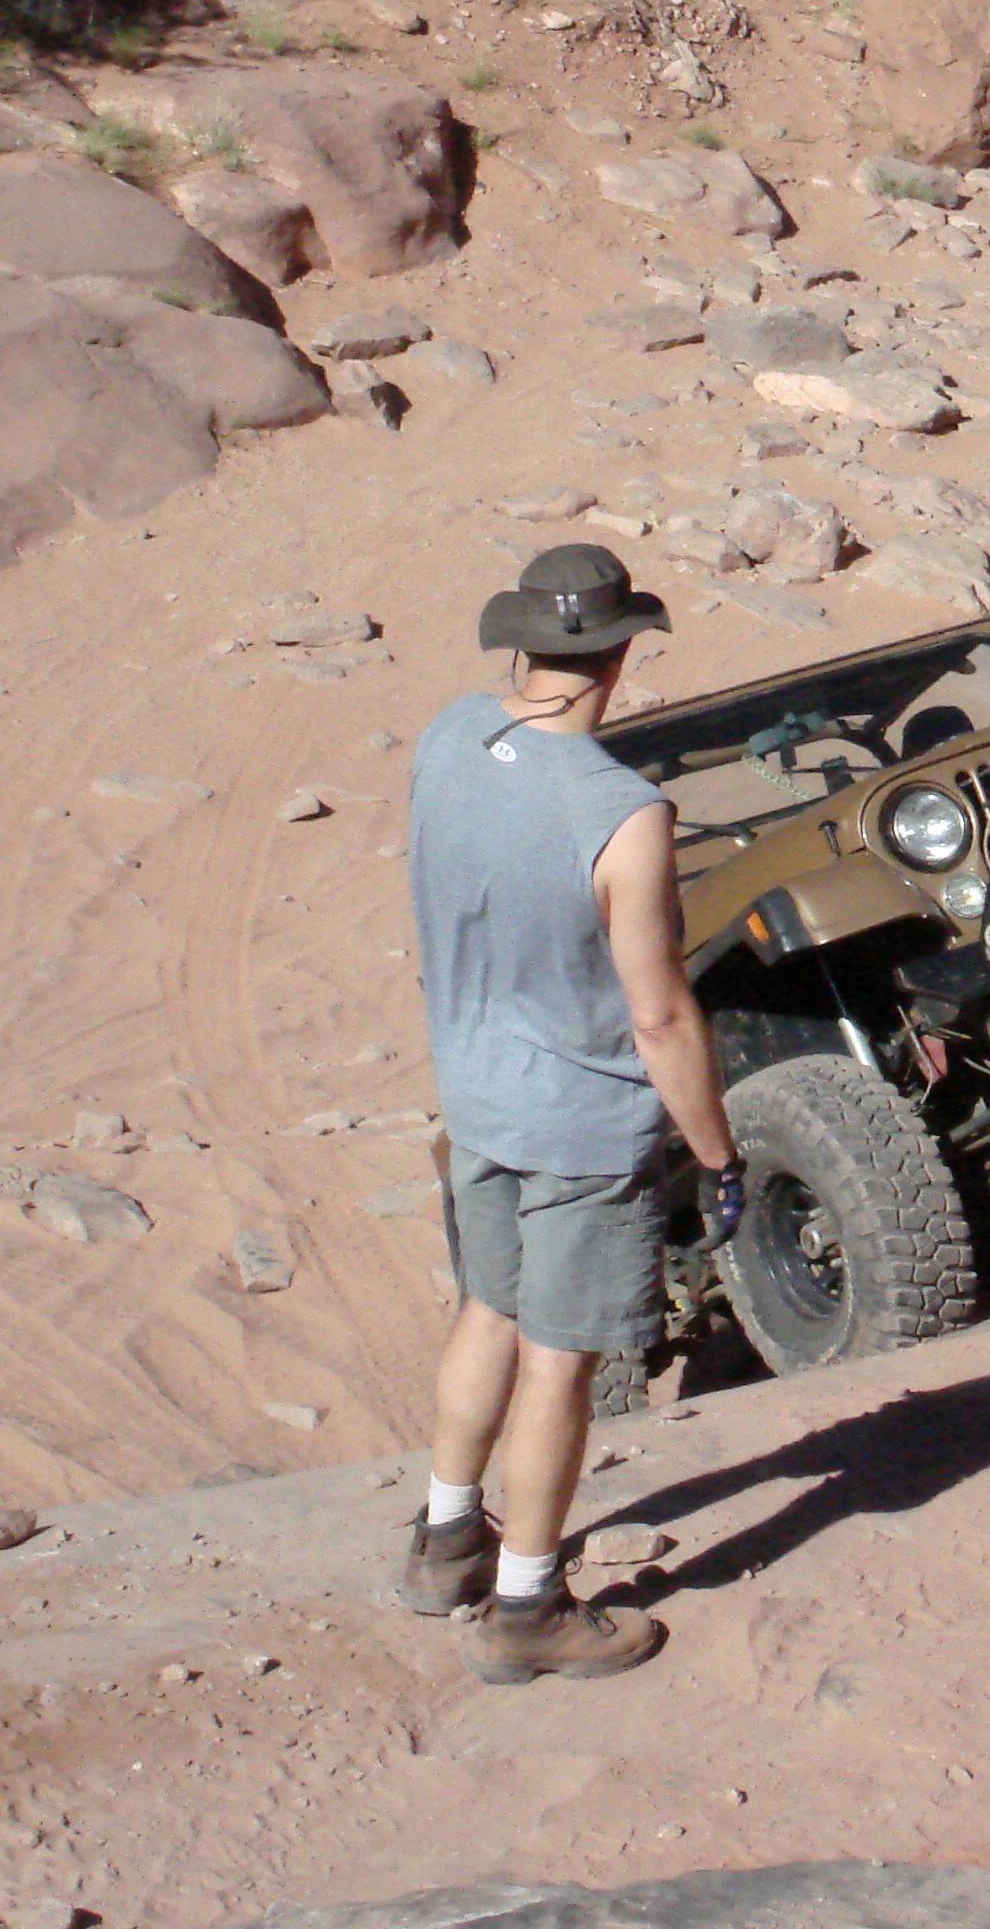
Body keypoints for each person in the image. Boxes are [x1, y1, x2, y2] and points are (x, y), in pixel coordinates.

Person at [401, 543, 746, 1684]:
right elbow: (661, 1014)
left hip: (478, 1095)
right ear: (622, 651)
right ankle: (528, 1607)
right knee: (559, 1360)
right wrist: (717, 1154)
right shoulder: (623, 814)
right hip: (582, 1126)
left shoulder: (451, 735)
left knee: (486, 1310)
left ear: (525, 642)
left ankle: (446, 1540)